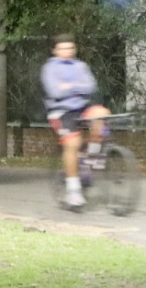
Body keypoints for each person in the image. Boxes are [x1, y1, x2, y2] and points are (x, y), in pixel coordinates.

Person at [41, 34, 108, 209]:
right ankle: (73, 190)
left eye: (70, 48)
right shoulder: (50, 68)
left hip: (82, 108)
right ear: (55, 51)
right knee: (73, 143)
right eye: (63, 48)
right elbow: (55, 92)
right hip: (62, 112)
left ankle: (90, 159)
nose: (67, 51)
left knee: (102, 113)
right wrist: (78, 87)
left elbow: (91, 87)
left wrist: (68, 87)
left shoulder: (81, 66)